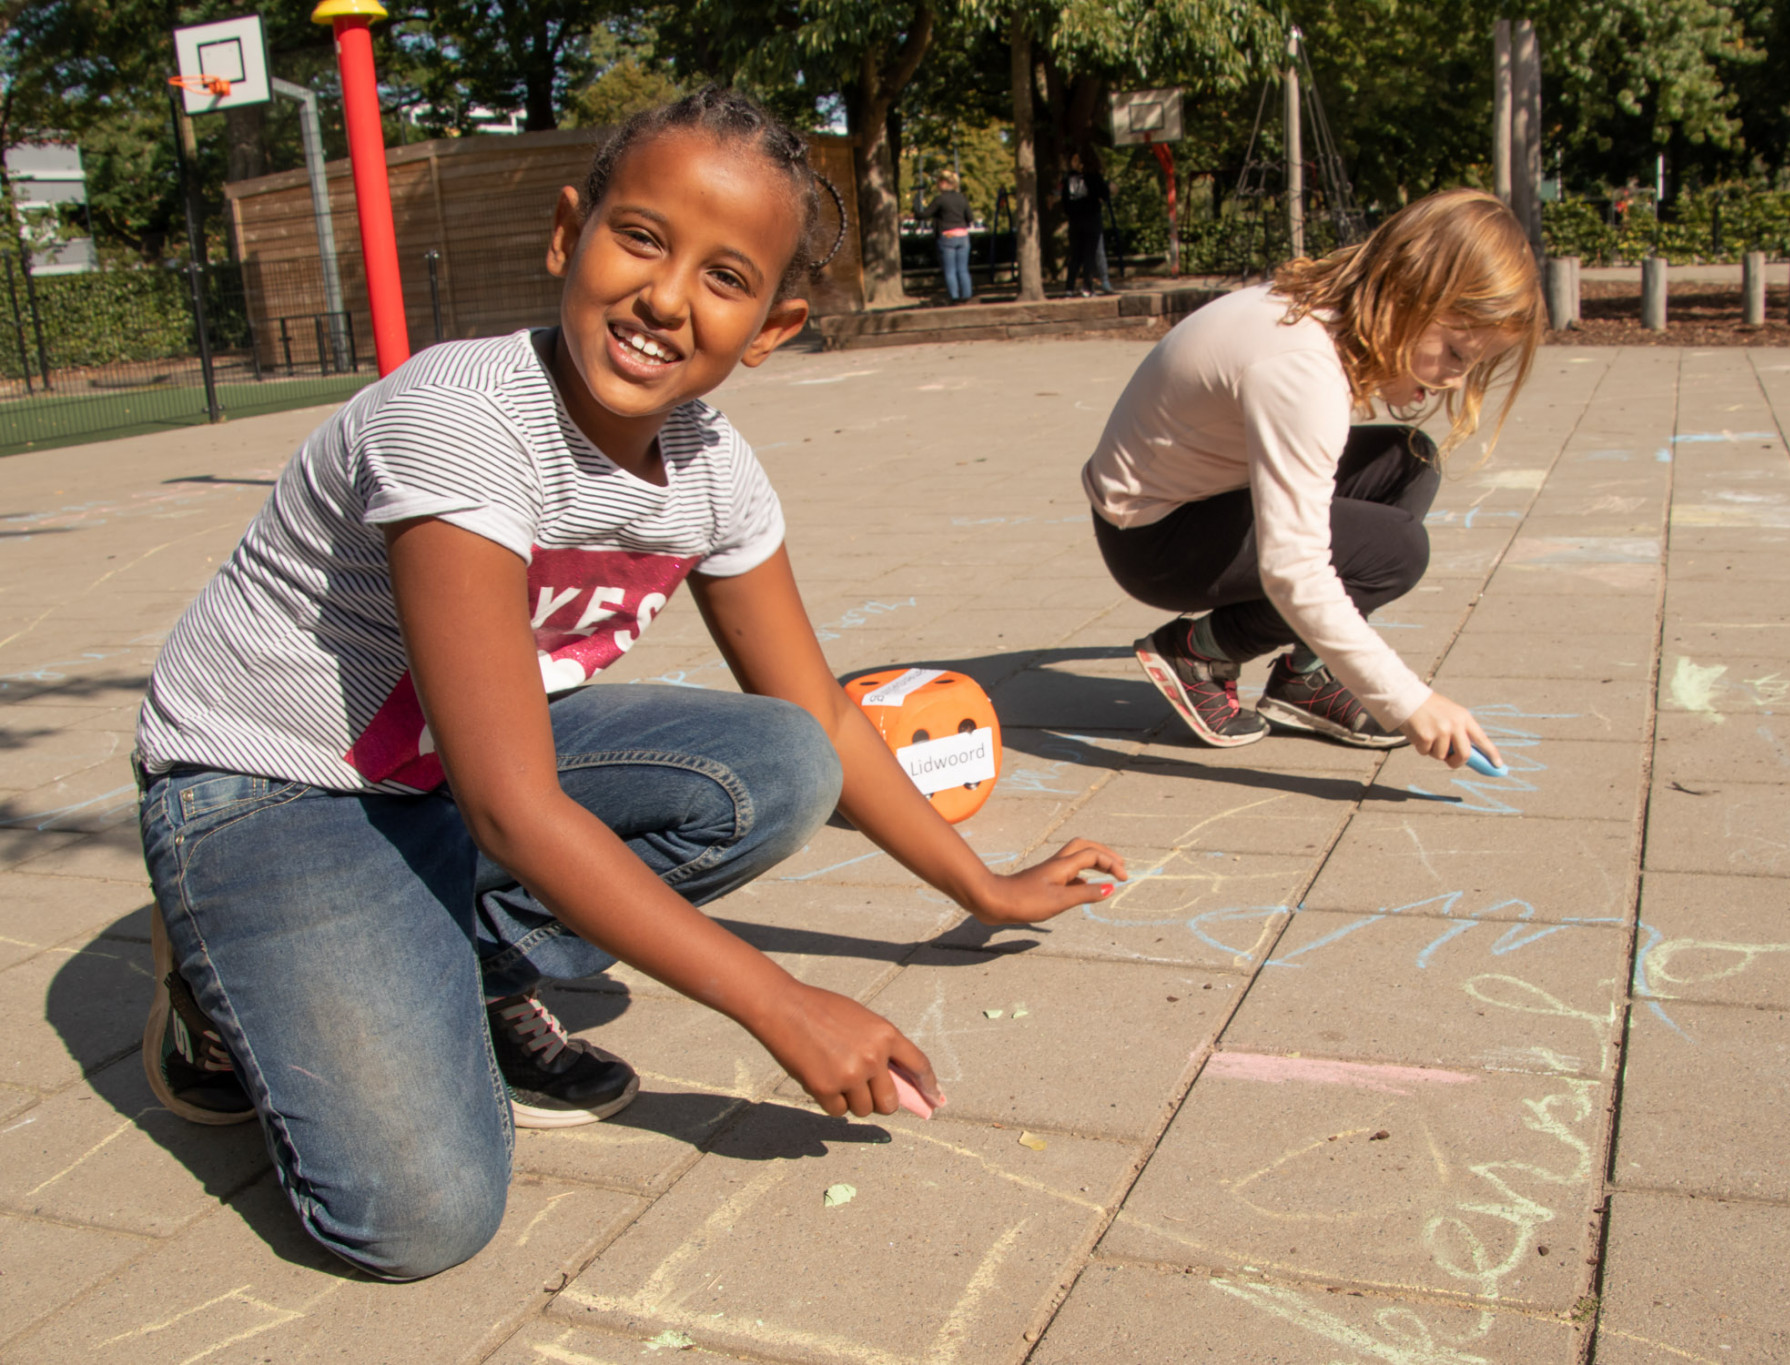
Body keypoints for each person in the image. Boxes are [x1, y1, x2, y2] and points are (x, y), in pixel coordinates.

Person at [134, 87, 1124, 1280]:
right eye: (640, 238)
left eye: (724, 276)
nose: (664, 297)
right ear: (568, 235)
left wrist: (987, 887)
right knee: (417, 1219)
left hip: (448, 770)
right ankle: (217, 989)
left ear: (770, 325)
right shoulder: (460, 418)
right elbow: (514, 806)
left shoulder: (714, 469)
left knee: (778, 763)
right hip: (279, 787)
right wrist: (779, 1003)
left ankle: (471, 963)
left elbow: (815, 713)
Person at [1084, 188, 1538, 766]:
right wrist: (1408, 700)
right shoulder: (1302, 368)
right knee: (1394, 551)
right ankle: (1198, 652)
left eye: (1470, 364)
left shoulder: (1314, 314)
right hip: (1154, 543)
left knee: (1406, 460)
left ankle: (1306, 678)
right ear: (1408, 296)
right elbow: (1295, 569)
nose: (1453, 379)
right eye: (1452, 352)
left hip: (1185, 504)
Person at [1060, 152, 1114, 297]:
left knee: (1075, 255)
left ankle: (1069, 288)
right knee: (1090, 254)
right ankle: (1087, 287)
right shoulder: (1093, 177)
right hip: (1091, 218)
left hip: (1075, 220)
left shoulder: (1069, 179)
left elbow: (1065, 201)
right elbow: (1104, 194)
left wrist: (1071, 212)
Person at [924, 170, 975, 302]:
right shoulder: (962, 198)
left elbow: (925, 214)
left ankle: (955, 297)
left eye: (938, 183)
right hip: (963, 235)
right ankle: (967, 297)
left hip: (948, 235)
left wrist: (916, 211)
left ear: (943, 183)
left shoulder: (940, 200)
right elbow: (970, 217)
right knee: (963, 269)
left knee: (950, 270)